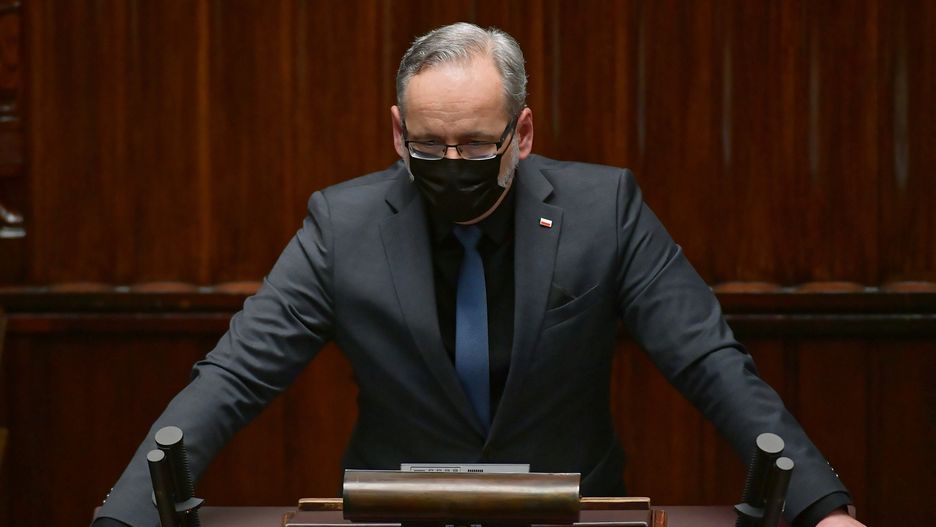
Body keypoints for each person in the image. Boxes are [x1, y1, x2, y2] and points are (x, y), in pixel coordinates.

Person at [94, 22, 864, 527]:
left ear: (521, 133)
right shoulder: (342, 225)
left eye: (474, 144)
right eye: (430, 145)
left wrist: (820, 505)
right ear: (397, 132)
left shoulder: (604, 210)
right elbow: (233, 376)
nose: (452, 162)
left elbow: (709, 361)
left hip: (571, 514)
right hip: (399, 515)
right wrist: (124, 514)